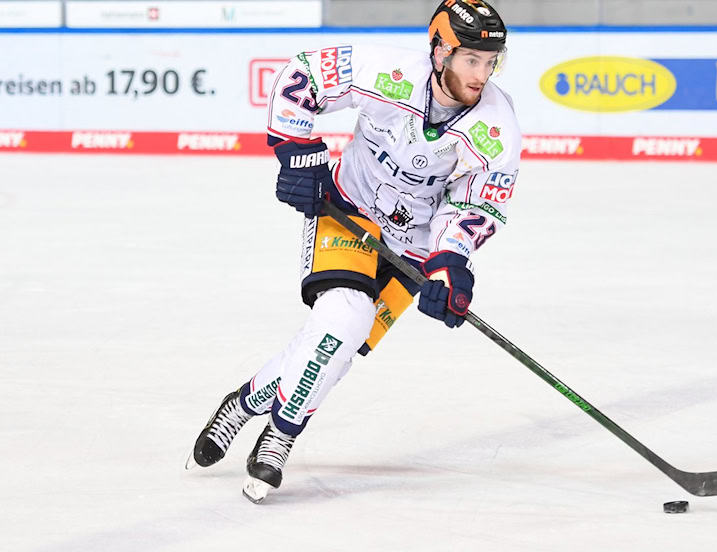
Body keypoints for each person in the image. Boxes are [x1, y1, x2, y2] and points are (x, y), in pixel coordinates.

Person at [186, 0, 520, 504]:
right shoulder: (386, 72)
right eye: (471, 59)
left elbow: (476, 202)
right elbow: (304, 76)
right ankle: (281, 434)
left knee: (338, 347)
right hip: (351, 209)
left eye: (490, 61)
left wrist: (451, 263)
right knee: (345, 317)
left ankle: (246, 401)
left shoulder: (497, 126)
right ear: (439, 51)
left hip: (414, 243)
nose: (482, 73)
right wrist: (299, 154)